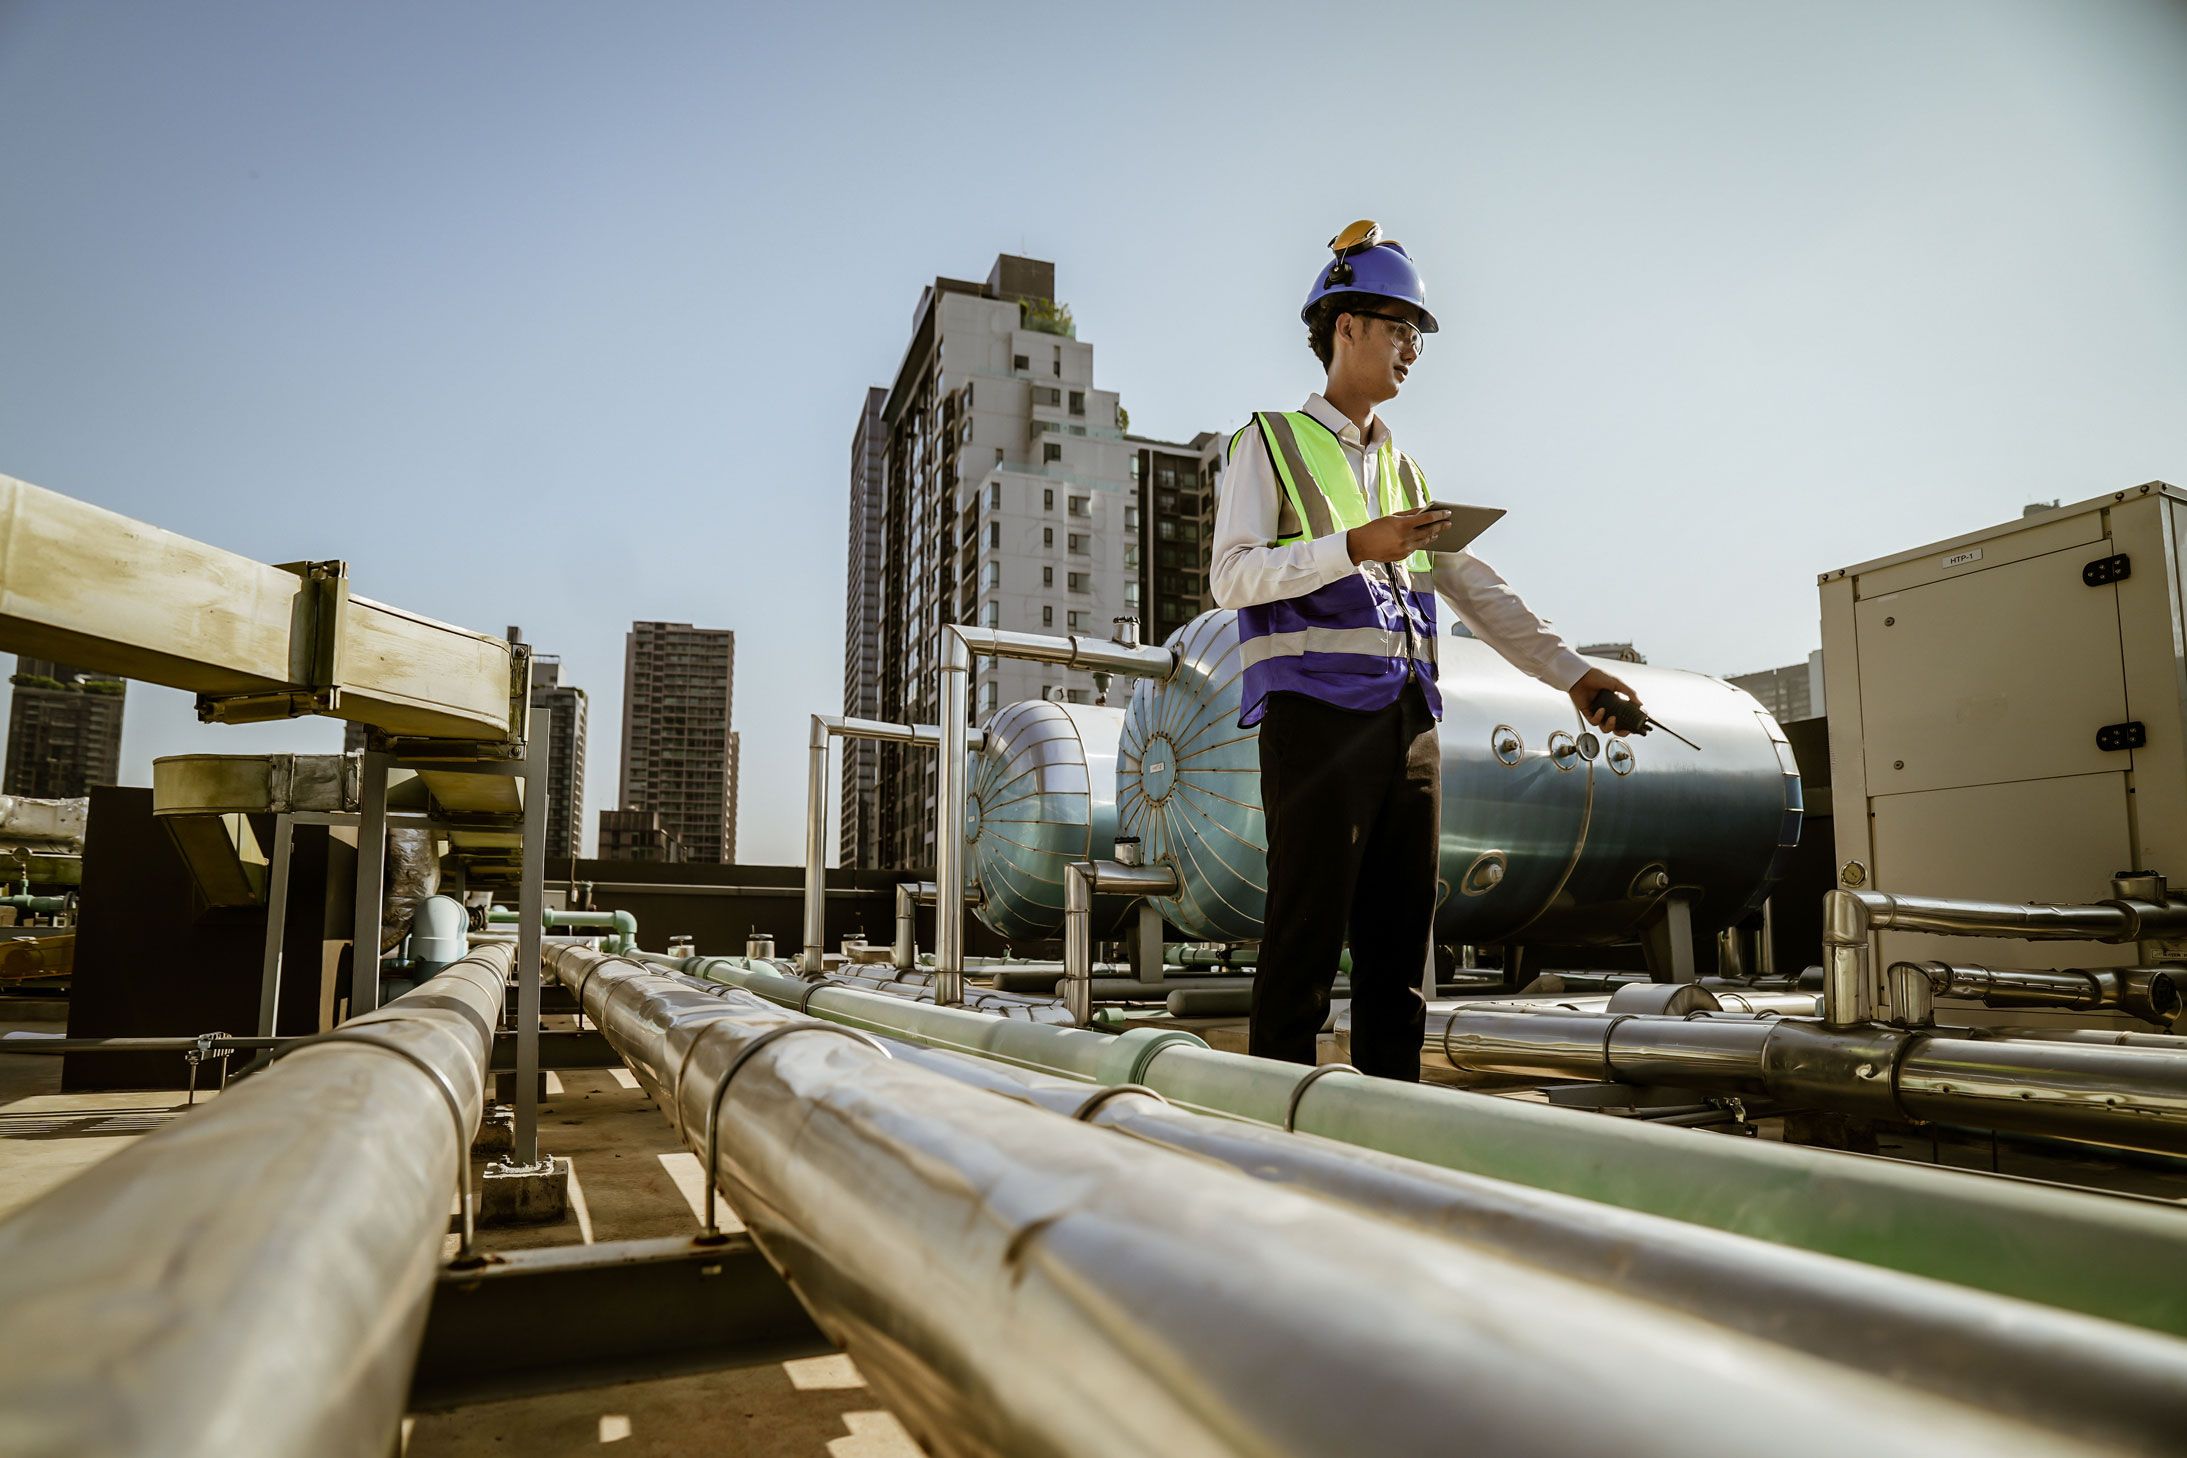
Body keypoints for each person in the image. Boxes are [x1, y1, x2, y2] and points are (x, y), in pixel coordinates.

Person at [1209, 220, 1640, 1080]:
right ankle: (1274, 1139)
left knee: (1400, 954)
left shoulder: (1404, 472)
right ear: (1345, 327)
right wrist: (1352, 546)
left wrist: (1574, 675)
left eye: (1418, 334)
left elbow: (1475, 589)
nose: (1412, 347)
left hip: (1409, 730)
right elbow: (1231, 578)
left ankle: (1390, 1126)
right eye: (1400, 327)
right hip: (1315, 721)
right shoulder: (1269, 440)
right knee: (1302, 938)